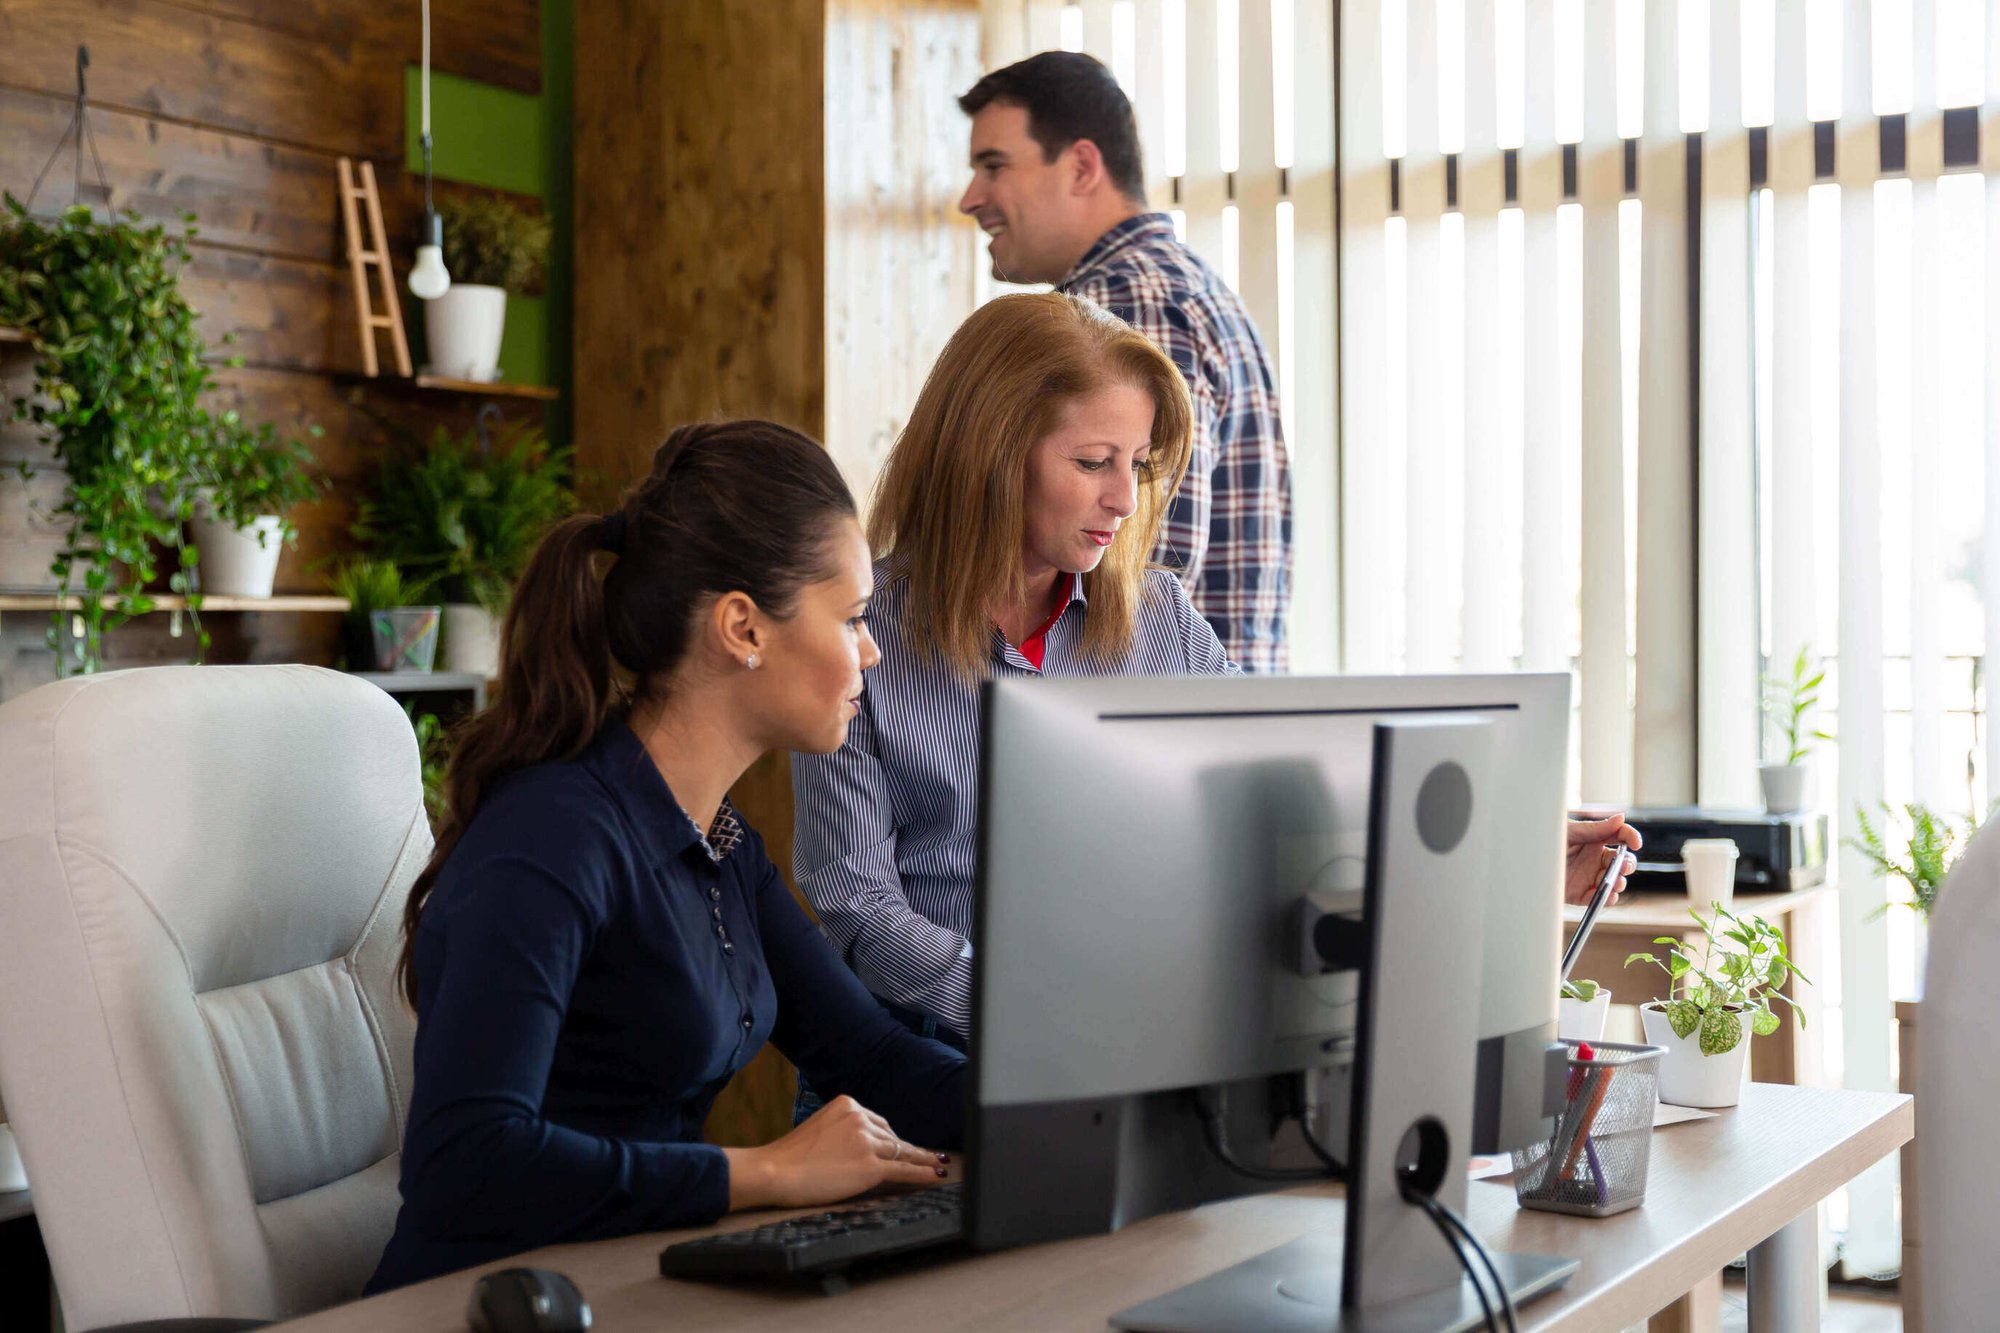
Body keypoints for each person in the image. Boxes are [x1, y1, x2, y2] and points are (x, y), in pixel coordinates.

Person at [367, 421, 963, 1293]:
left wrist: (1072, 1114)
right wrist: (761, 1171)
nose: (870, 649)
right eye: (852, 618)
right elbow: (466, 1163)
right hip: (481, 1301)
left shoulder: (717, 841)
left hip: (625, 1282)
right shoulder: (552, 839)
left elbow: (869, 1053)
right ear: (742, 626)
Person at [791, 292, 1225, 1048]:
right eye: (1093, 462)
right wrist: (1038, 1012)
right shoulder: (860, 634)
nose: (1124, 498)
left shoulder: (1165, 623)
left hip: (1127, 1050)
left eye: (1137, 464)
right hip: (920, 1072)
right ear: (991, 454)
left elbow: (1247, 823)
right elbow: (857, 900)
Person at [957, 50, 1292, 673]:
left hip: (1152, 735)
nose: (970, 197)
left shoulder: (1119, 307)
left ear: (1082, 165)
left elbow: (1140, 572)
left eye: (993, 166)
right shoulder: (1190, 286)